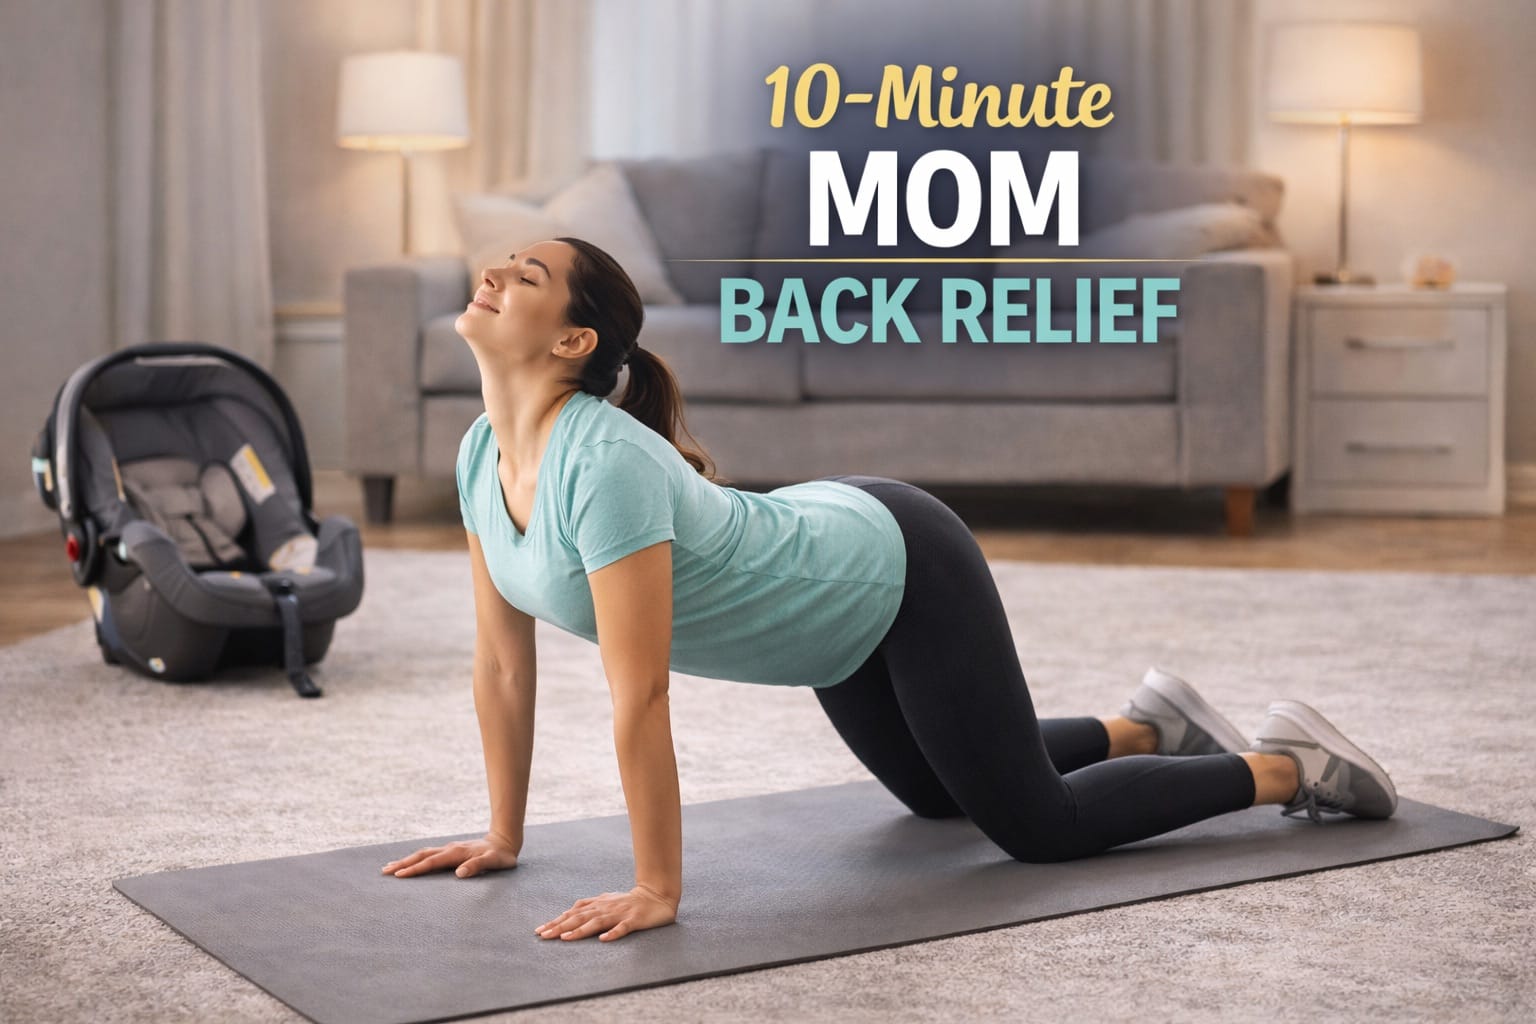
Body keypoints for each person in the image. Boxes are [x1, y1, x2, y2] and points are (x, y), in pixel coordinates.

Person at [378, 237, 1398, 944]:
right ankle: (1145, 727)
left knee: (1034, 827)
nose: (495, 273)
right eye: (503, 263)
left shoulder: (603, 465)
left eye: (528, 272)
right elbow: (502, 666)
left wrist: (657, 887)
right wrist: (503, 836)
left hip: (893, 565)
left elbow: (640, 694)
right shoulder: (480, 455)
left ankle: (1284, 766)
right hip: (827, 615)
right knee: (933, 796)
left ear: (572, 341)